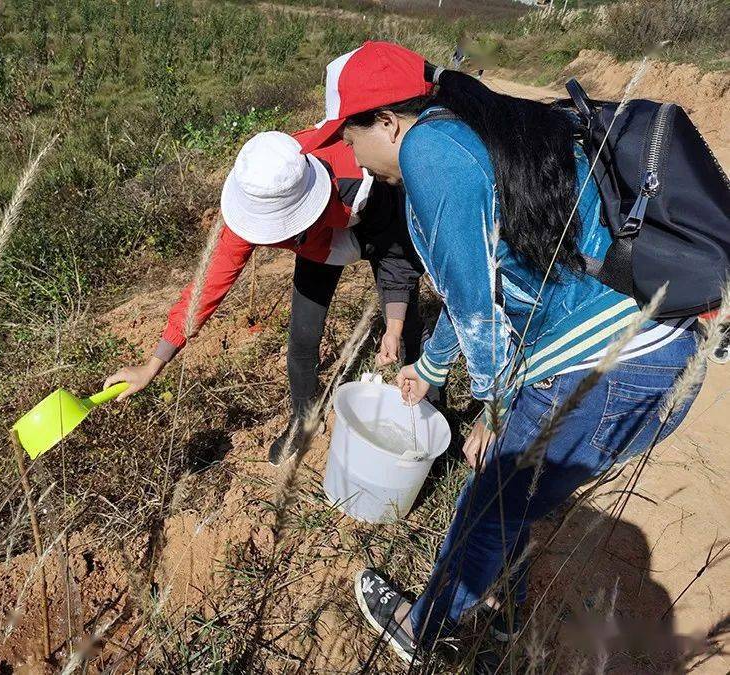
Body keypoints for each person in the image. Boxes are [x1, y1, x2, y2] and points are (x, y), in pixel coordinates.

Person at [300, 41, 701, 665]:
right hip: (647, 352)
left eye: (351, 140)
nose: (354, 157)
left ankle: (421, 629)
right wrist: (431, 369)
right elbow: (482, 280)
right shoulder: (461, 133)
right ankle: (507, 610)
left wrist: (491, 407)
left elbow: (475, 312)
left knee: (489, 502)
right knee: (509, 498)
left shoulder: (430, 155)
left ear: (386, 121)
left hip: (613, 365)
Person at [105, 129, 429, 465]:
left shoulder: (360, 172)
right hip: (320, 244)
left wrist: (393, 322)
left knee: (408, 326)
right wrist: (152, 366)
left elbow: (396, 258)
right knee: (302, 339)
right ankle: (304, 420)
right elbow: (206, 290)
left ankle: (426, 405)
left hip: (377, 227)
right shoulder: (257, 193)